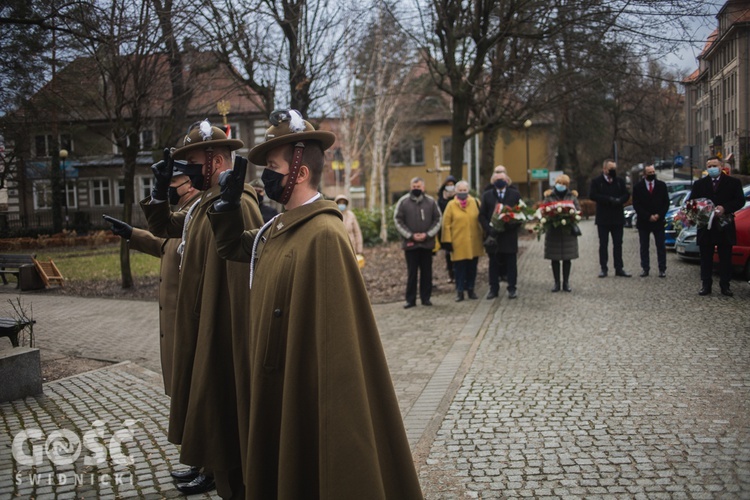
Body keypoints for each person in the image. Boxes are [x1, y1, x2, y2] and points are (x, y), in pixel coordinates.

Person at [207, 109, 423, 499]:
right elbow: (233, 247)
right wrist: (226, 208)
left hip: (303, 386)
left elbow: (336, 355)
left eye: (272, 166)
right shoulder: (277, 227)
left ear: (299, 174)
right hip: (277, 375)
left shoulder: (324, 234)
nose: (264, 176)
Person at [140, 120, 264, 498]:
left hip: (225, 333)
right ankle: (217, 473)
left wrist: (233, 340)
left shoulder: (238, 203)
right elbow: (165, 226)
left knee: (227, 417)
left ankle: (230, 480)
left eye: (193, 161)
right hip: (203, 325)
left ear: (215, 160)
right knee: (210, 414)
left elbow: (249, 278)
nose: (188, 170)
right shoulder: (204, 203)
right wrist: (159, 191)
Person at [104, 167, 200, 394]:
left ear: (191, 184)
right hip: (176, 321)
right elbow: (166, 246)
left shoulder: (193, 215)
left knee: (187, 387)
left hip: (186, 322)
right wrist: (132, 234)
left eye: (173, 183)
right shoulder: (182, 214)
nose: (168, 189)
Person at [688, 156, 745, 296]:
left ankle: (725, 285)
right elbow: (692, 203)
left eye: (714, 165)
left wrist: (725, 208)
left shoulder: (733, 183)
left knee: (725, 257)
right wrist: (701, 211)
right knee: (706, 258)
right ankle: (706, 285)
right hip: (705, 226)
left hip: (724, 225)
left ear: (721, 166)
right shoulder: (699, 184)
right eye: (709, 166)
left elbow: (740, 201)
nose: (712, 168)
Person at [394, 177, 442, 308]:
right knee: (412, 273)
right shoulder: (403, 202)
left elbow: (438, 220)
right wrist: (410, 235)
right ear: (411, 187)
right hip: (411, 244)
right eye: (414, 187)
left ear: (423, 188)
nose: (416, 189)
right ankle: (410, 300)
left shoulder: (431, 202)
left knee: (427, 272)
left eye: (419, 187)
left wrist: (427, 235)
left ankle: (426, 298)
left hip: (427, 244)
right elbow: (398, 220)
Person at [479, 172, 522, 299]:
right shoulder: (487, 196)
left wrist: (511, 225)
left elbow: (521, 214)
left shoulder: (514, 194)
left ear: (507, 180)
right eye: (497, 179)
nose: (500, 181)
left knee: (511, 264)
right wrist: (489, 228)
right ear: (493, 181)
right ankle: (493, 289)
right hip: (493, 237)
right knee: (493, 264)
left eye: (502, 179)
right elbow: (481, 215)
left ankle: (512, 288)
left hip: (509, 236)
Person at [441, 180, 484, 301]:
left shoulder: (475, 202)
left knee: (472, 268)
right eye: (460, 190)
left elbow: (482, 219)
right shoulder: (451, 205)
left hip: (474, 241)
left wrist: (486, 235)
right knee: (459, 269)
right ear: (455, 191)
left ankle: (471, 289)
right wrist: (447, 241)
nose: (462, 192)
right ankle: (459, 291)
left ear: (468, 190)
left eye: (464, 190)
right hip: (458, 242)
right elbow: (446, 224)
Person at [589, 159, 632, 278]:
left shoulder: (619, 181)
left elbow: (626, 194)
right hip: (603, 218)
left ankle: (619, 268)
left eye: (614, 169)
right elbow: (592, 195)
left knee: (618, 244)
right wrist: (608, 199)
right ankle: (604, 268)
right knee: (603, 244)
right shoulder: (597, 181)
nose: (613, 171)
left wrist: (620, 200)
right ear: (604, 169)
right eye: (610, 169)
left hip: (617, 217)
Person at [541, 175, 580, 292]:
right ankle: (557, 283)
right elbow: (544, 210)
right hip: (554, 232)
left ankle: (566, 282)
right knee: (555, 258)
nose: (561, 186)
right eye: (559, 183)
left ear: (567, 185)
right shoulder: (549, 196)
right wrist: (551, 217)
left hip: (568, 232)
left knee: (567, 258)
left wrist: (571, 215)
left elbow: (578, 210)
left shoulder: (572, 196)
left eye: (563, 184)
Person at [632, 164, 670, 278]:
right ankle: (645, 268)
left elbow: (666, 203)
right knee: (644, 246)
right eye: (649, 173)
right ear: (644, 174)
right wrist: (648, 216)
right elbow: (636, 205)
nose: (652, 174)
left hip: (658, 221)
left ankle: (662, 269)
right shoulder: (638, 187)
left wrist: (659, 215)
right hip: (644, 222)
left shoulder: (661, 185)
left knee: (661, 246)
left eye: (653, 172)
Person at [437, 175, 457, 283]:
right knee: (448, 252)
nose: (450, 187)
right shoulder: (441, 198)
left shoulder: (458, 196)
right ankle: (451, 273)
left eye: (452, 185)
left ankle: (457, 272)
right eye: (448, 185)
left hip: (457, 227)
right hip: (445, 228)